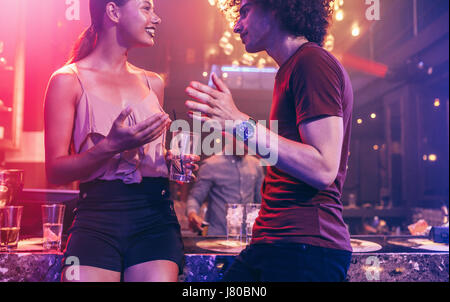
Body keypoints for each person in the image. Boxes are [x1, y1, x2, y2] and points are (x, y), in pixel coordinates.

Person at [185, 0, 353, 282]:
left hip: (305, 247)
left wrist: (239, 122)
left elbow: (324, 168)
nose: (237, 25)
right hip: (276, 242)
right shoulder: (291, 68)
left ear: (276, 7)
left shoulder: (312, 62)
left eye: (245, 11)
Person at [44, 0, 198, 282]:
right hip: (97, 217)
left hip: (155, 216)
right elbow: (54, 171)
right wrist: (110, 146)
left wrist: (169, 160)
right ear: (113, 12)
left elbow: (144, 156)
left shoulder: (153, 83)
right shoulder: (68, 80)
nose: (157, 18)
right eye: (146, 8)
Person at [186, 145, 264, 236]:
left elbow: (261, 201)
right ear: (230, 136)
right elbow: (195, 197)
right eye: (242, 141)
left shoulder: (256, 165)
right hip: (217, 236)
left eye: (249, 142)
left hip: (247, 236)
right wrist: (192, 214)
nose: (246, 146)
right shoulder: (211, 165)